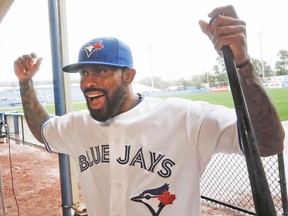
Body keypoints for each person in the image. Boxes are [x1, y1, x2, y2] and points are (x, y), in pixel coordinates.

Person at [14, 5, 284, 216]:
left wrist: (242, 65)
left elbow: (269, 142)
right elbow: (42, 129)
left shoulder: (184, 117)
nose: (87, 82)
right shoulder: (79, 125)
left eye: (100, 71)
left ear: (128, 76)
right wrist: (25, 83)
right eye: (84, 72)